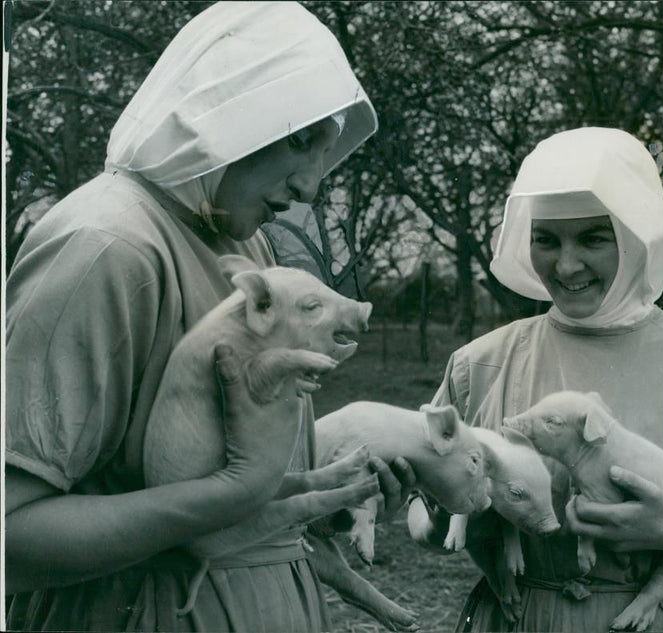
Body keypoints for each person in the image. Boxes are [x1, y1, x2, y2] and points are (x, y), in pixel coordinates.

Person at [4, 3, 415, 631]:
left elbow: (231, 471)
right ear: (225, 116)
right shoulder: (106, 248)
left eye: (325, 150)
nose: (311, 184)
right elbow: (13, 538)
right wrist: (233, 495)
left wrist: (322, 499)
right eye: (299, 141)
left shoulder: (241, 241)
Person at [413, 127, 663, 632]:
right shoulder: (480, 362)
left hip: (655, 618)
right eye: (546, 239)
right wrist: (446, 510)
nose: (566, 264)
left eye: (594, 238)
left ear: (637, 237)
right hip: (517, 619)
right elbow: (422, 518)